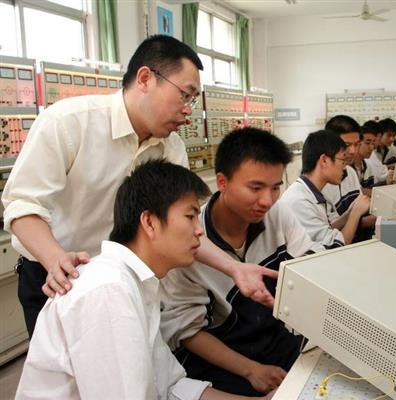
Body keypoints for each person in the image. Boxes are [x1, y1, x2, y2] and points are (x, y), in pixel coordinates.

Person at [2, 35, 274, 338]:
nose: (189, 110)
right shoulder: (69, 123)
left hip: (124, 278)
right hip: (57, 276)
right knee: (64, 365)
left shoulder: (171, 148)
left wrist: (234, 268)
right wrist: (55, 259)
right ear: (145, 78)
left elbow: (183, 226)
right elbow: (22, 205)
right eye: (185, 95)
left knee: (126, 360)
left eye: (193, 100)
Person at [16, 160, 272, 400]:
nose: (199, 230)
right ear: (149, 222)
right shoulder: (108, 289)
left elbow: (171, 386)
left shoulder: (137, 283)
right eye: (189, 216)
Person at [160, 128, 323, 397]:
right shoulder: (189, 242)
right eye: (255, 188)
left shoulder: (278, 214)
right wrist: (251, 370)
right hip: (225, 357)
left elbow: (308, 264)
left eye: (275, 187)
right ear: (222, 182)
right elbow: (187, 332)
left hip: (275, 339)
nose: (267, 200)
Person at [279, 130, 370, 247]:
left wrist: (348, 214)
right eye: (342, 160)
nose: (344, 168)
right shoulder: (300, 200)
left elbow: (325, 231)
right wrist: (355, 214)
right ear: (324, 160)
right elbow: (335, 246)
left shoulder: (311, 192)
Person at [363, 120, 389, 184]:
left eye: (373, 142)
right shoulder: (369, 156)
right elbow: (381, 175)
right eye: (368, 142)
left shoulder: (372, 153)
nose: (371, 147)